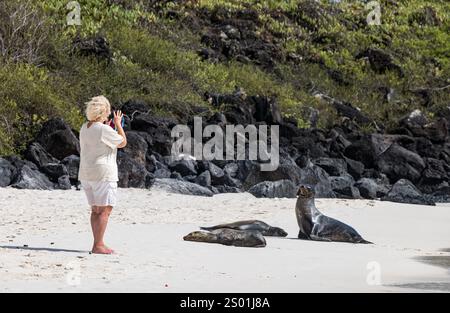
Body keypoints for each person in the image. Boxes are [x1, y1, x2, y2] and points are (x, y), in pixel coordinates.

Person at [78, 96, 127, 255]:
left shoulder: (84, 127)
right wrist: (118, 124)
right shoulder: (104, 129)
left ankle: (97, 243)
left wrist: (108, 127)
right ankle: (98, 244)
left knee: (95, 210)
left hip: (86, 172)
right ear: (104, 111)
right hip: (103, 173)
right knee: (105, 210)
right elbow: (122, 142)